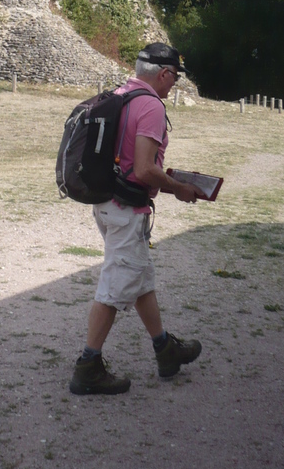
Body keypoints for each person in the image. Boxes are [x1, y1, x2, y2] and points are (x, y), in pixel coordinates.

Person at [69, 42, 204, 395]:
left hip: (107, 203)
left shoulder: (121, 94)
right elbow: (144, 169)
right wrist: (179, 187)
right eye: (175, 77)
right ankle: (87, 367)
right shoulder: (151, 106)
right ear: (164, 74)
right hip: (127, 210)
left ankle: (165, 349)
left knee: (140, 278)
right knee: (114, 287)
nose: (175, 83)